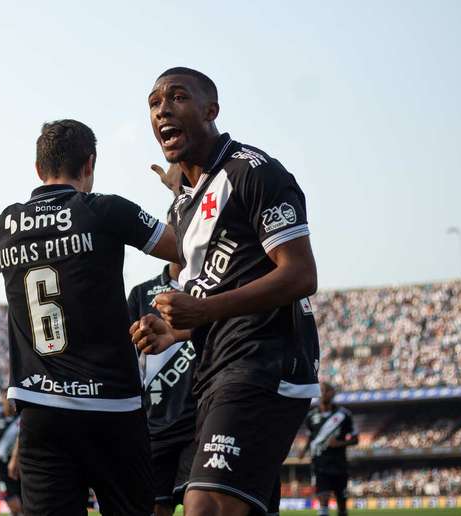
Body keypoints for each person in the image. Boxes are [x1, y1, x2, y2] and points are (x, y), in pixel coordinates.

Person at [133, 67, 320, 516]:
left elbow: (301, 274)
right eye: (154, 103)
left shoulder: (253, 171)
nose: (162, 110)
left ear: (210, 110)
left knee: (205, 505)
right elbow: (223, 290)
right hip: (216, 367)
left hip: (264, 361)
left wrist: (202, 310)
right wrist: (176, 332)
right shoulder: (183, 204)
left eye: (177, 97)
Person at [0, 119, 178, 516]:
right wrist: (180, 194)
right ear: (90, 164)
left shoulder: (3, 226)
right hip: (113, 407)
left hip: (42, 410)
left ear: (38, 169)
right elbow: (179, 248)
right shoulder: (105, 210)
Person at [128, 258, 197, 516]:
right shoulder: (141, 293)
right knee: (157, 506)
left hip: (200, 420)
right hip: (154, 423)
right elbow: (127, 359)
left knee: (200, 501)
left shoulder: (209, 288)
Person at [300, 382, 357, 516]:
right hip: (320, 466)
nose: (323, 393)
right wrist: (304, 450)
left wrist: (340, 443)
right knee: (323, 501)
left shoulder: (344, 415)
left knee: (342, 508)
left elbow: (356, 439)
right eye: (321, 391)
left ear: (333, 393)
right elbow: (311, 437)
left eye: (326, 390)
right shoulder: (311, 416)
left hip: (339, 465)